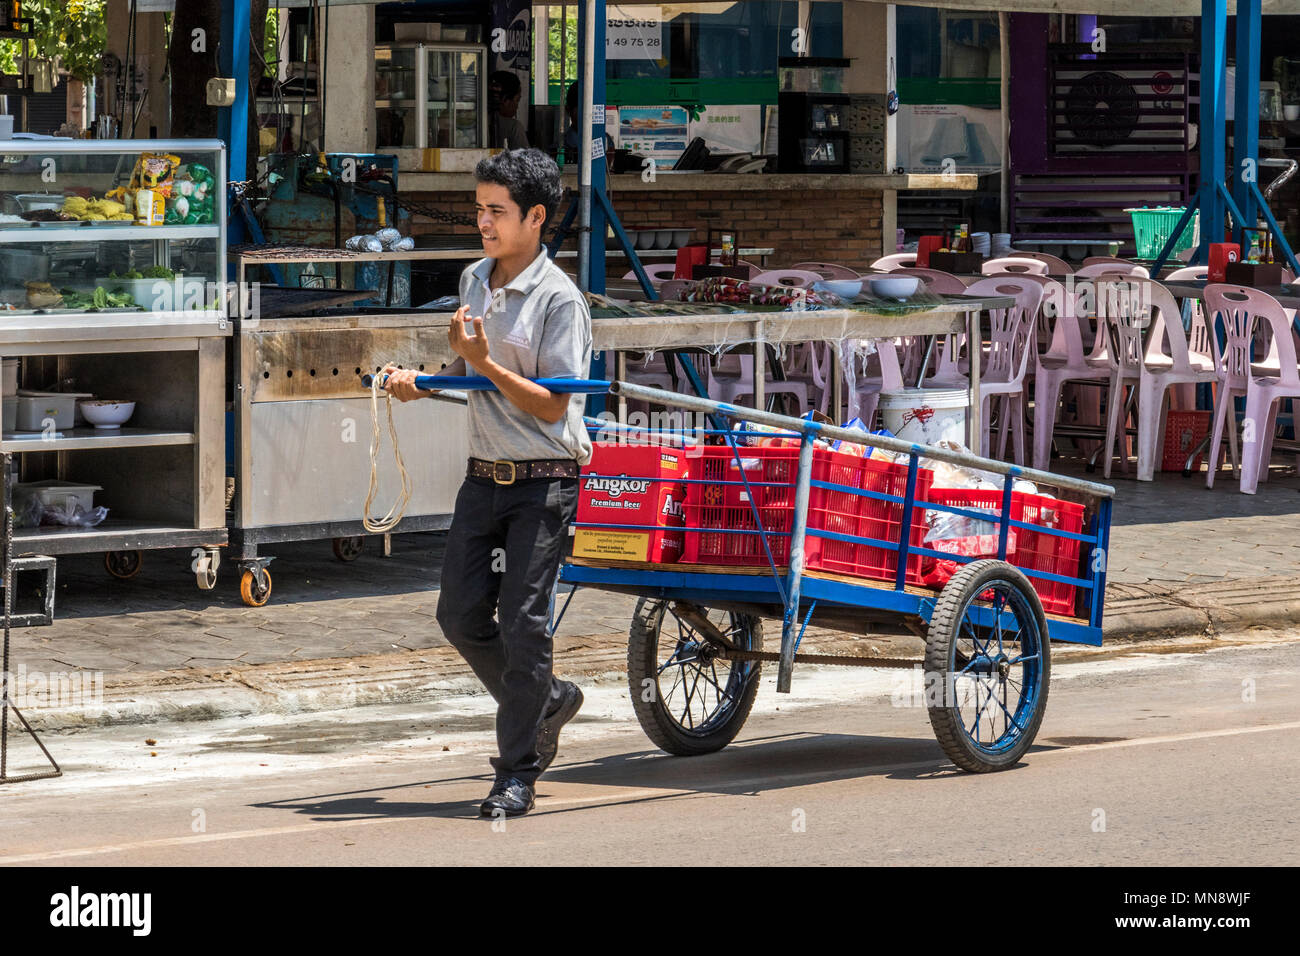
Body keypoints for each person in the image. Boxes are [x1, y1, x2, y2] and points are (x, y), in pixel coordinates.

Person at [382, 149, 591, 818]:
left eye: (496, 211)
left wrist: (481, 363)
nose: (483, 223)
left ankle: (516, 772)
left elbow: (554, 405)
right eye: (478, 209)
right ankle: (548, 700)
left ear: (535, 218)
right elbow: (461, 369)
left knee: (523, 622)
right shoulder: (474, 278)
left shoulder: (561, 300)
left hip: (546, 480)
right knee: (459, 613)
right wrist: (423, 382)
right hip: (483, 476)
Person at [488, 70, 530, 150]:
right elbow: (525, 160)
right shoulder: (514, 127)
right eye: (517, 100)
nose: (517, 107)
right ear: (505, 100)